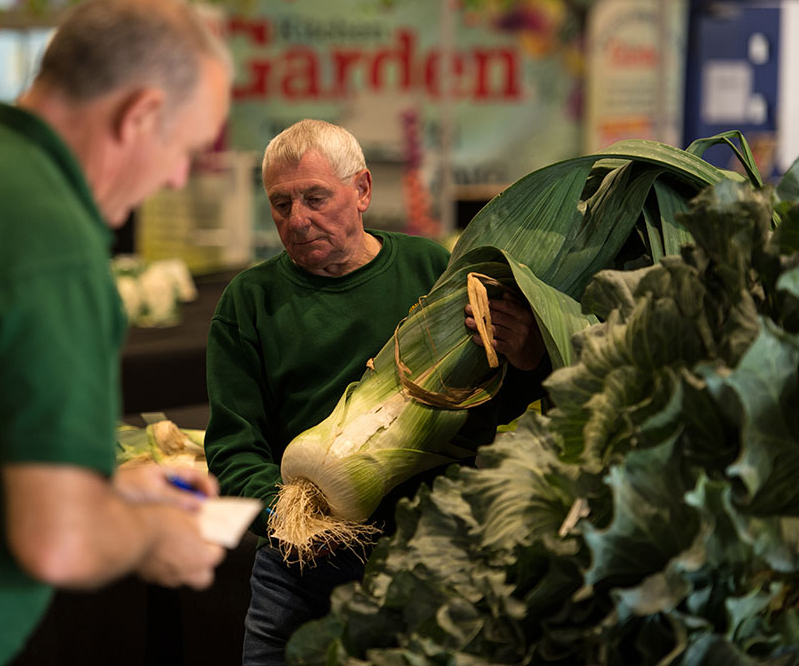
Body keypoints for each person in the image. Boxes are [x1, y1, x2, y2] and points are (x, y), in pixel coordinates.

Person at [0, 0, 232, 664]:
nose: (178, 177)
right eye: (184, 149)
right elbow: (58, 541)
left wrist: (114, 494)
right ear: (141, 115)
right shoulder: (52, 239)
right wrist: (153, 535)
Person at [204, 119, 548, 665]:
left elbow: (486, 404)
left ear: (362, 190)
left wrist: (528, 357)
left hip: (433, 550)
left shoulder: (433, 270)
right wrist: (291, 517)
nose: (297, 220)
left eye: (316, 197)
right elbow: (231, 444)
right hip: (297, 564)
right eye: (280, 203)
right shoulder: (249, 301)